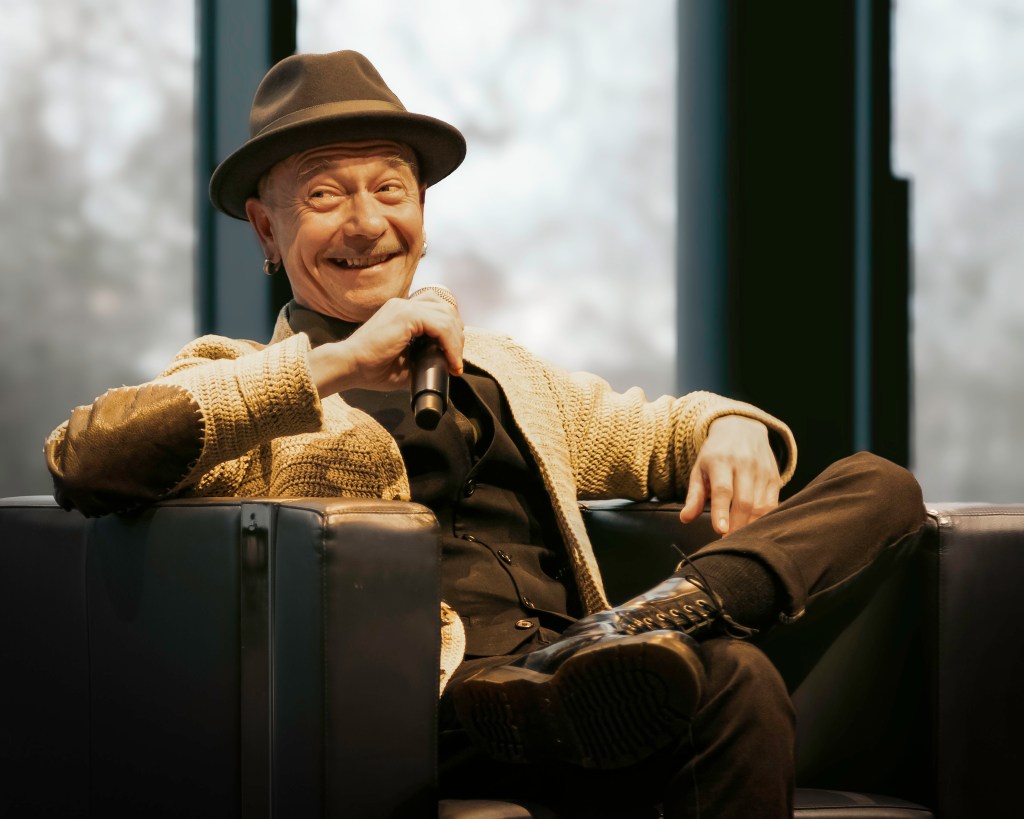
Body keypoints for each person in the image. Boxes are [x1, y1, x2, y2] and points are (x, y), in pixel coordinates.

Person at [45, 50, 925, 818]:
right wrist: (336, 364)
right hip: (437, 706)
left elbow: (657, 434)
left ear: (422, 215)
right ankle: (606, 652)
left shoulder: (509, 371)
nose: (365, 221)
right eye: (324, 194)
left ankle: (646, 622)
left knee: (880, 487)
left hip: (594, 681)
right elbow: (84, 458)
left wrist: (727, 424)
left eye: (390, 189)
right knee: (728, 675)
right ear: (268, 230)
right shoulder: (243, 375)